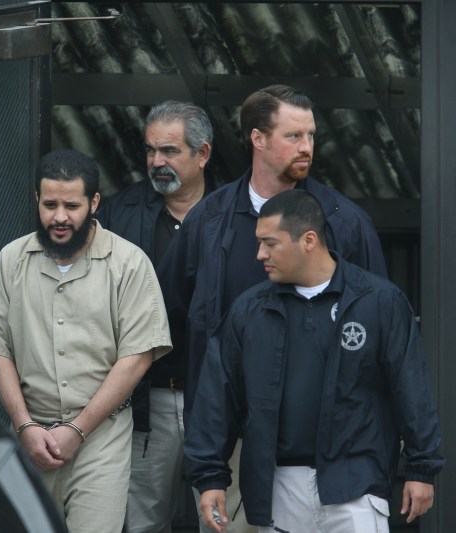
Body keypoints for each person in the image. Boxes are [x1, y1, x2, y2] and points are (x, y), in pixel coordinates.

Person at [158, 84, 388, 531]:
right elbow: (171, 316)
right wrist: (207, 426)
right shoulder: (208, 221)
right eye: (294, 136)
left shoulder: (343, 222)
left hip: (326, 439)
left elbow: (382, 333)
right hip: (234, 437)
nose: (307, 148)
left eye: (311, 136)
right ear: (257, 139)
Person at [187, 189, 443, 532]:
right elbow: (217, 399)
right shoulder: (248, 311)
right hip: (277, 486)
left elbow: (411, 389)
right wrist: (210, 477)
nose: (260, 254)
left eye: (270, 243)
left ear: (308, 240)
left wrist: (421, 469)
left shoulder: (379, 301)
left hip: (357, 484)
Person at [0, 148, 172, 533]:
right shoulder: (11, 259)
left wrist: (78, 429)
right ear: (36, 200)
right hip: (29, 435)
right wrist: (24, 425)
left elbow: (137, 356)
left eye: (72, 205)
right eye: (49, 204)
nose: (60, 217)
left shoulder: (129, 263)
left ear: (94, 202)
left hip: (101, 437)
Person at [96, 100, 215, 533]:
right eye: (150, 151)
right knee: (144, 521)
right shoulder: (117, 214)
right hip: (150, 396)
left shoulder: (234, 214)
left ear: (202, 154)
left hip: (216, 396)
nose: (156, 162)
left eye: (169, 152)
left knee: (222, 522)